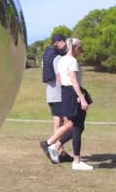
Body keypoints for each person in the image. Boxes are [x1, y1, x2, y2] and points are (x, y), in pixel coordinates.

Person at [39, 37, 94, 171]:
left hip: (65, 91)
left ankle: (55, 146)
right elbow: (74, 81)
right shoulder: (72, 61)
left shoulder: (62, 59)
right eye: (80, 49)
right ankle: (56, 147)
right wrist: (82, 98)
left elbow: (59, 79)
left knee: (76, 126)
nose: (81, 52)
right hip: (73, 92)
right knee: (76, 125)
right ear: (74, 48)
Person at [41, 33, 69, 156]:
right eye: (65, 43)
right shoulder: (57, 57)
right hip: (58, 92)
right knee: (61, 122)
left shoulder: (48, 54)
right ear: (59, 42)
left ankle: (60, 150)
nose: (66, 46)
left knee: (59, 121)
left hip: (51, 92)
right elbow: (59, 77)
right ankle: (56, 149)